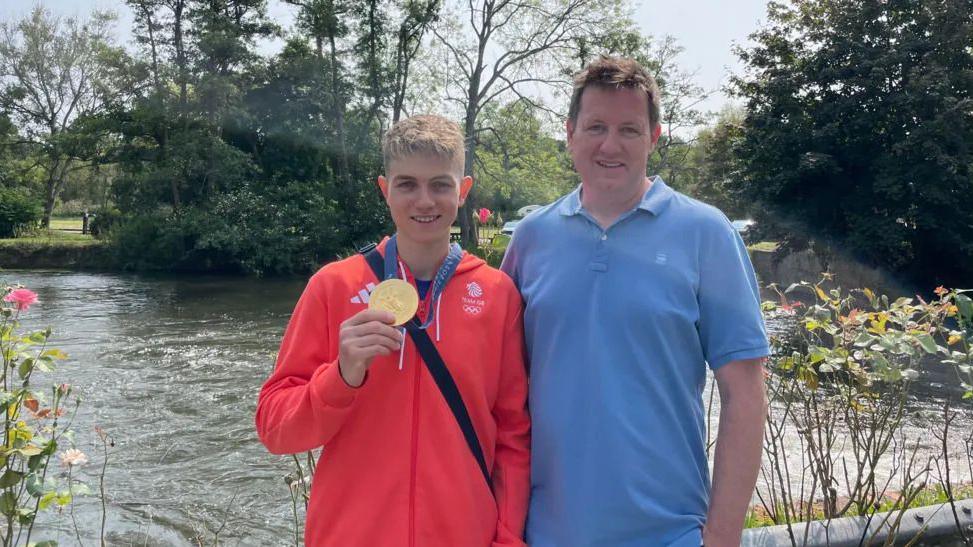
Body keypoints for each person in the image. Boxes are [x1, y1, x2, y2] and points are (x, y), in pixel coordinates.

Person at [501, 56, 769, 547]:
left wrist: (723, 535)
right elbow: (497, 388)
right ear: (570, 133)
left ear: (654, 137)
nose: (610, 144)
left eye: (629, 128)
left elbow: (745, 392)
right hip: (542, 532)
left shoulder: (706, 233)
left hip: (671, 533)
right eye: (596, 126)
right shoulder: (530, 239)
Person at [256, 115, 530, 546]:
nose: (424, 200)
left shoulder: (497, 295)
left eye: (440, 184)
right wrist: (341, 377)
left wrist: (509, 538)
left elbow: (514, 437)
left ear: (463, 191)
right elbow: (275, 430)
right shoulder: (334, 286)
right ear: (385, 190)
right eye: (407, 185)